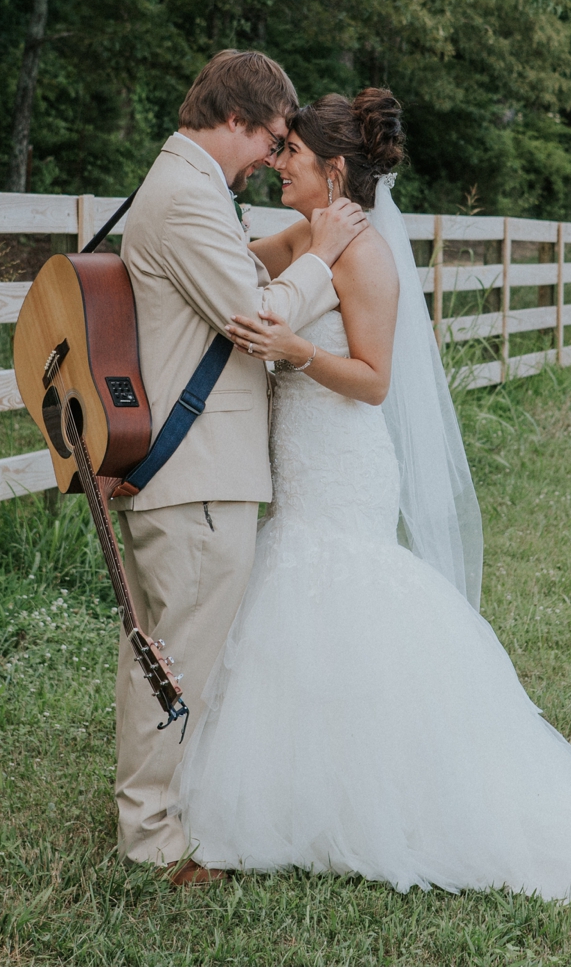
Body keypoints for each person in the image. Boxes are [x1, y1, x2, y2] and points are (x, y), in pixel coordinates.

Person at [176, 88, 571, 929]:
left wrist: (297, 348)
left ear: (334, 170)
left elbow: (372, 380)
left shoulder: (366, 256)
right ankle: (296, 799)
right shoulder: (308, 232)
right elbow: (239, 269)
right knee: (291, 610)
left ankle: (374, 802)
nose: (278, 162)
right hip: (299, 467)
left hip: (343, 463)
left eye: (290, 152)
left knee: (334, 604)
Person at [112, 50, 368, 883]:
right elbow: (254, 319)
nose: (270, 155)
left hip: (195, 471)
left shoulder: (191, 189)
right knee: (176, 653)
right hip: (199, 471)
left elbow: (238, 275)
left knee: (166, 645)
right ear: (234, 120)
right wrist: (322, 259)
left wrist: (295, 248)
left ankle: (164, 808)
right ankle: (153, 838)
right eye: (267, 137)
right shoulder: (187, 197)